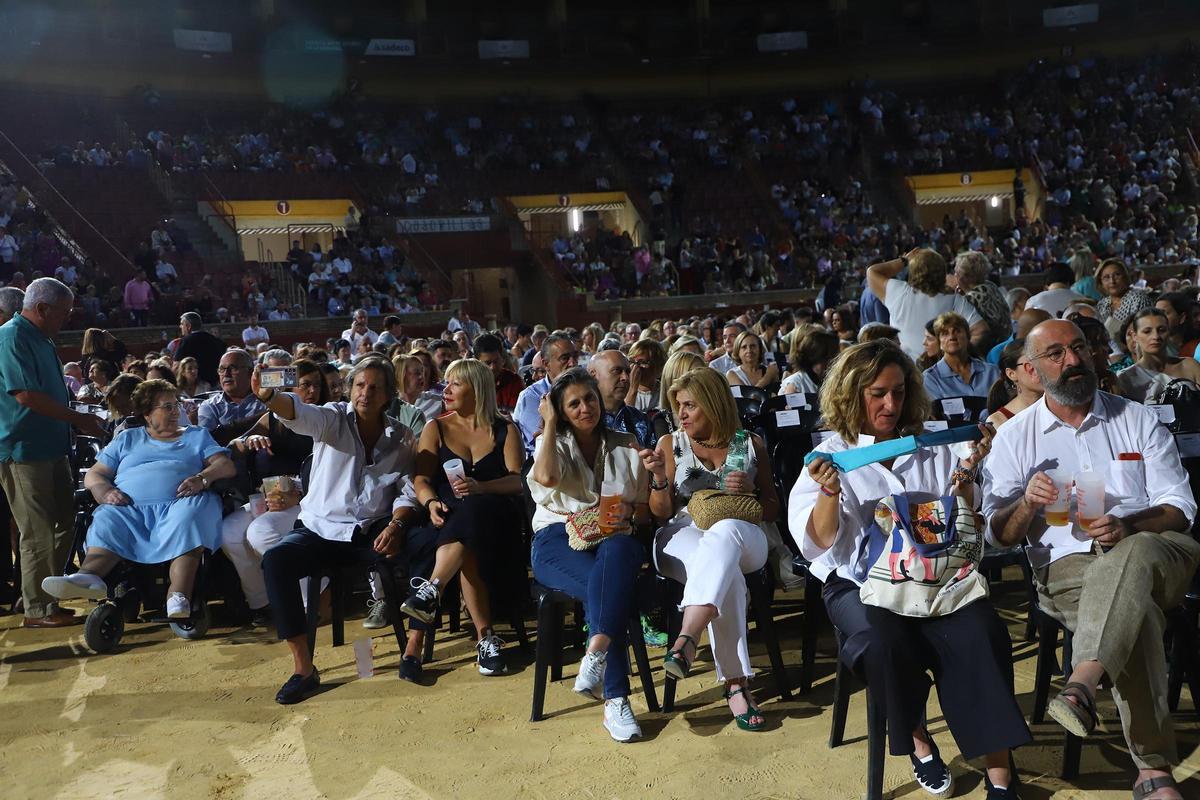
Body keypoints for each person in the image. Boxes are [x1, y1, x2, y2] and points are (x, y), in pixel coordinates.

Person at [792, 340, 1027, 799]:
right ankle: (919, 741)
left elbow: (957, 522)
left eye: (899, 392)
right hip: (860, 585)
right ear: (850, 393)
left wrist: (965, 481)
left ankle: (999, 771)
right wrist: (828, 494)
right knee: (882, 642)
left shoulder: (931, 445)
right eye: (877, 393)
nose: (891, 404)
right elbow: (818, 543)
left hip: (936, 580)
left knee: (982, 629)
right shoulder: (831, 456)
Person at [983, 319, 1199, 800]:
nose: (1073, 361)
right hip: (1069, 566)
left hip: (1161, 553)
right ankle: (1152, 769)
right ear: (1032, 368)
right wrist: (1027, 506)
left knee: (1136, 551)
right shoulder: (1016, 437)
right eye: (1056, 354)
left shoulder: (1137, 418)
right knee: (1134, 615)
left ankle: (1082, 680)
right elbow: (996, 536)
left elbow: (1180, 508)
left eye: (1079, 348)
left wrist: (1130, 526)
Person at [254, 355, 421, 705]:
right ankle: (303, 668)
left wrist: (397, 524)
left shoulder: (402, 437)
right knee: (276, 561)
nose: (366, 393)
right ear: (350, 388)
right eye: (360, 385)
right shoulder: (332, 418)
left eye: (375, 387)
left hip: (370, 532)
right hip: (318, 530)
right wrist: (270, 397)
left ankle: (413, 650)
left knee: (424, 546)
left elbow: (407, 489)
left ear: (389, 395)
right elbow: (298, 413)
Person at [644, 366, 780, 731]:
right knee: (725, 571)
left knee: (725, 535)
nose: (682, 415)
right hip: (682, 531)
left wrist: (750, 492)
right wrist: (659, 479)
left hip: (744, 529)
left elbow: (772, 507)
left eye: (690, 406)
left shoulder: (750, 443)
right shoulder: (671, 445)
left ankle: (687, 636)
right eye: (679, 406)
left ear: (714, 404)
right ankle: (737, 684)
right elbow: (660, 514)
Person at [41, 377, 235, 620]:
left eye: (177, 404)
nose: (176, 411)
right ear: (146, 413)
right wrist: (103, 490)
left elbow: (224, 465)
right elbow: (96, 473)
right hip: (130, 507)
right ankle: (88, 576)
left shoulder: (196, 435)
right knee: (107, 517)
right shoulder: (127, 438)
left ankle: (178, 595)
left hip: (180, 503)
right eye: (167, 407)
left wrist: (203, 478)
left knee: (190, 516)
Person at [528, 368, 649, 742]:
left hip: (612, 538)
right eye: (574, 404)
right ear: (561, 411)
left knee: (624, 548)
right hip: (555, 541)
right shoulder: (555, 443)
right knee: (612, 591)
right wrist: (548, 425)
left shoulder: (626, 442)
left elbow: (645, 510)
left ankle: (597, 656)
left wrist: (631, 513)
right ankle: (615, 697)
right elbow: (546, 479)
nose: (585, 408)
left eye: (590, 399)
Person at [397, 359, 526, 680]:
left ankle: (428, 598)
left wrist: (482, 486)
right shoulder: (435, 427)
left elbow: (517, 481)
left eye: (456, 384)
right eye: (447, 383)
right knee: (464, 531)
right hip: (445, 514)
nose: (446, 389)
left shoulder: (505, 428)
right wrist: (429, 504)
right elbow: (422, 479)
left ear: (477, 389)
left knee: (473, 516)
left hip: (497, 515)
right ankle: (485, 638)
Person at [0, 278, 106, 627]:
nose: (66, 320)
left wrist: (75, 416)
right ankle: (38, 609)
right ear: (42, 309)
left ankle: (39, 593)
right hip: (24, 449)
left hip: (52, 446)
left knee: (64, 521)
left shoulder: (41, 338)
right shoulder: (12, 337)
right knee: (37, 530)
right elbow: (26, 395)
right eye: (62, 314)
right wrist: (78, 418)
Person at [221, 359, 328, 627]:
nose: (312, 391)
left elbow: (331, 472)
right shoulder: (271, 418)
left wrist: (298, 493)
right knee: (230, 532)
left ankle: (314, 599)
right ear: (289, 387)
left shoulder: (325, 418)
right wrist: (247, 441)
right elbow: (232, 445)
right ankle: (263, 603)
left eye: (316, 384)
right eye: (305, 385)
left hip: (310, 499)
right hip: (270, 497)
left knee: (261, 532)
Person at [867, 248, 985, 360]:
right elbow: (980, 330)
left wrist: (905, 260)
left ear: (912, 270)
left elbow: (872, 271)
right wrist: (957, 355)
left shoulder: (897, 291)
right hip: (941, 370)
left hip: (905, 370)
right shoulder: (954, 299)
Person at [514, 333, 579, 458]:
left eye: (575, 356)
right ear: (546, 364)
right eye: (565, 358)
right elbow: (546, 440)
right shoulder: (531, 397)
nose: (573, 363)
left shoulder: (586, 387)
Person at [1117, 307, 1200, 403]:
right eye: (1147, 331)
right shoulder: (1126, 378)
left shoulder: (1189, 365)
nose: (1155, 336)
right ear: (1134, 336)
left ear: (1169, 332)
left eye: (1161, 330)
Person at [922, 312, 1001, 402]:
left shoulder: (992, 372)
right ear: (939, 342)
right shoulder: (930, 378)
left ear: (968, 337)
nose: (952, 337)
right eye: (945, 333)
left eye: (957, 331)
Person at [198, 349, 266, 445]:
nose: (226, 374)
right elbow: (208, 440)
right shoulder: (210, 406)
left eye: (233, 368)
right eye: (222, 369)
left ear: (250, 372)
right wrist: (266, 415)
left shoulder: (266, 400)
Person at [954, 251, 1011, 349]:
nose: (954, 275)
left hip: (990, 350)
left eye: (957, 273)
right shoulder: (990, 285)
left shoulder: (970, 299)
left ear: (965, 277)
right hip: (1007, 343)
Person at [986, 340, 1042, 429]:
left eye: (1041, 361)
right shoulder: (998, 421)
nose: (1040, 368)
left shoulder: (1063, 406)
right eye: (1030, 364)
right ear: (1011, 374)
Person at [655, 351, 706, 432]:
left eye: (702, 372)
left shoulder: (712, 411)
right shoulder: (661, 420)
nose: (700, 379)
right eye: (692, 375)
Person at [174, 312, 227, 388]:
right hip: (216, 384)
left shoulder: (186, 341)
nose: (180, 326)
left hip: (194, 386)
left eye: (182, 324)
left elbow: (176, 365)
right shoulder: (215, 340)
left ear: (188, 326)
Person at [474, 333, 523, 412]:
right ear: (477, 363)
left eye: (496, 361)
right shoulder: (468, 382)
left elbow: (515, 416)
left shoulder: (514, 381)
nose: (492, 367)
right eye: (487, 363)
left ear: (502, 359)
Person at [782, 328, 839, 396]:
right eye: (833, 356)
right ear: (818, 357)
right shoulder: (795, 385)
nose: (836, 361)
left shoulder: (829, 381)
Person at [1095, 258, 1152, 326]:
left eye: (1117, 275)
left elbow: (1144, 329)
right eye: (1106, 277)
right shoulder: (1102, 304)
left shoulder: (1138, 299)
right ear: (1101, 282)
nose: (1112, 281)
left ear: (1126, 276)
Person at [387, 353, 429, 438]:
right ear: (400, 375)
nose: (422, 376)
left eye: (422, 372)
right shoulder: (388, 407)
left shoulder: (434, 401)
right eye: (417, 373)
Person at [626, 338, 666, 412]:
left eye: (642, 362)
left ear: (658, 367)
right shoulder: (622, 390)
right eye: (631, 361)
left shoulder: (665, 392)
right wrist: (632, 389)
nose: (635, 367)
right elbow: (623, 420)